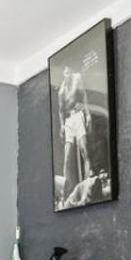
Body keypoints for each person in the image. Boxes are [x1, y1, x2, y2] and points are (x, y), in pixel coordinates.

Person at [56, 65, 92, 206]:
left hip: (78, 116)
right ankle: (65, 193)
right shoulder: (61, 91)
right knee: (67, 158)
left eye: (69, 73)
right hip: (69, 121)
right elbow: (60, 110)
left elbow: (84, 95)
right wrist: (62, 126)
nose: (68, 76)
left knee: (84, 150)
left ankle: (87, 186)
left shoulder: (77, 78)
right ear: (63, 75)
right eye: (66, 73)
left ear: (71, 73)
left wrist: (87, 114)